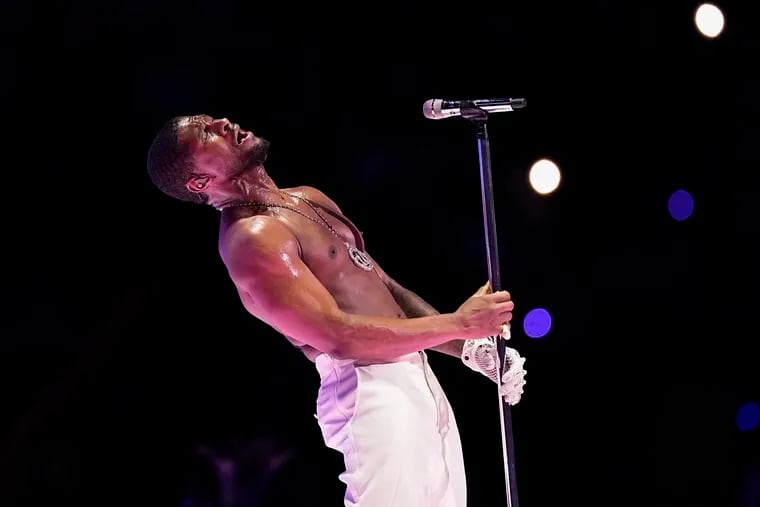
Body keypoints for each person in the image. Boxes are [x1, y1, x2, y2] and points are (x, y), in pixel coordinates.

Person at [145, 114, 527, 506]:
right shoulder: (251, 238)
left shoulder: (307, 198)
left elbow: (386, 290)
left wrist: (467, 348)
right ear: (200, 183)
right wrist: (459, 324)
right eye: (207, 132)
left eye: (215, 119)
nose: (224, 123)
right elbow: (338, 337)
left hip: (414, 373)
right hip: (369, 388)